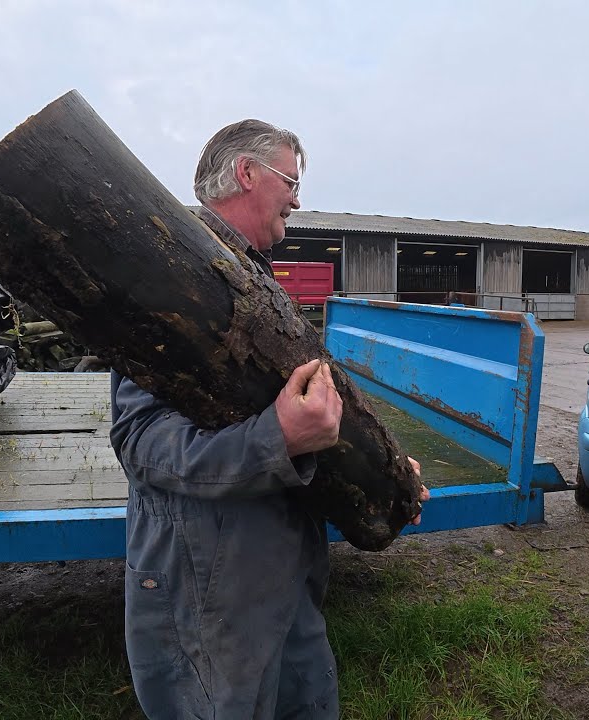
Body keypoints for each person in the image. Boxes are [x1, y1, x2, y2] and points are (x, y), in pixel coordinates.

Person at [109, 119, 427, 719]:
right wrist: (275, 439)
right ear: (247, 173)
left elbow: (306, 407)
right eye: (291, 179)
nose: (300, 199)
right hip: (207, 583)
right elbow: (142, 442)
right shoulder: (168, 279)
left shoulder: (246, 274)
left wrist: (381, 470)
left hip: (282, 574)